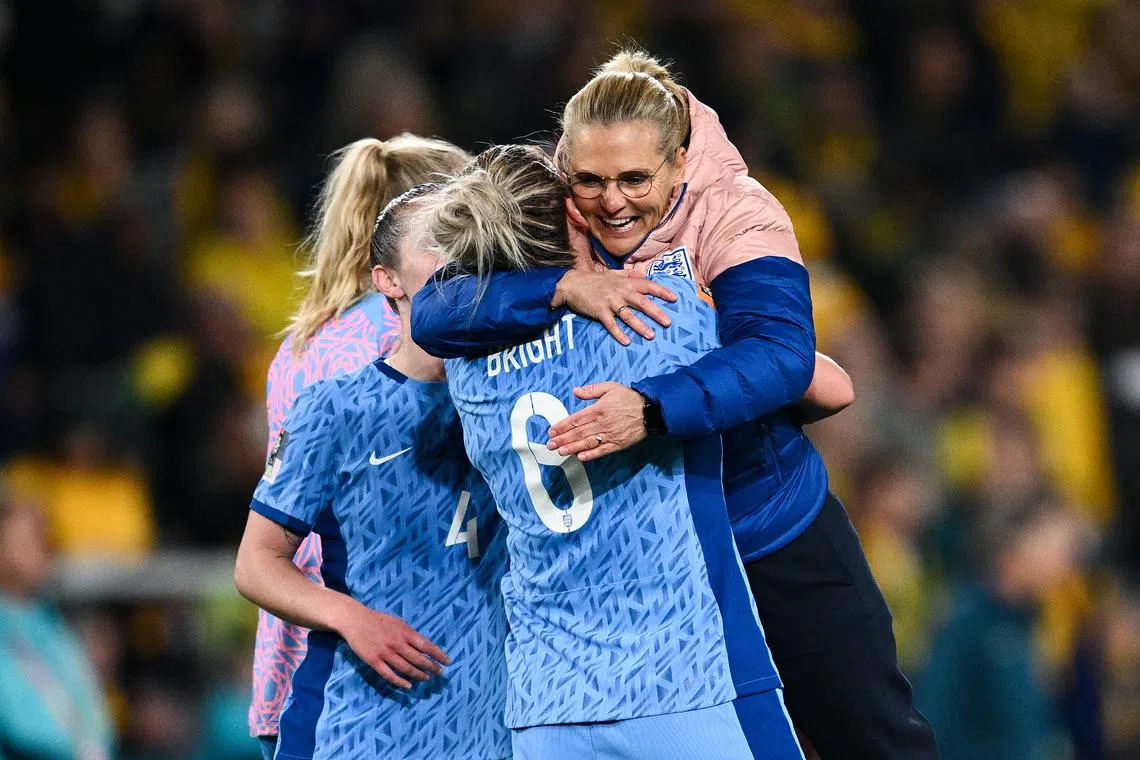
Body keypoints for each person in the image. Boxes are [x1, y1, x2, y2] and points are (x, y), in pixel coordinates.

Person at [411, 50, 937, 759]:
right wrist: (562, 288)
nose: (611, 202)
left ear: (680, 161)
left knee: (875, 742)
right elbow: (435, 312)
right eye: (591, 181)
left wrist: (650, 408)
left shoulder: (737, 210)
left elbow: (780, 356)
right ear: (567, 163)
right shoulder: (557, 204)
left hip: (766, 533)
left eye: (635, 180)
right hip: (650, 577)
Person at [430, 143, 806, 760]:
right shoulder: (659, 312)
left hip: (548, 702)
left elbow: (438, 311)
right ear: (574, 214)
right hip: (688, 675)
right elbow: (809, 377)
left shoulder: (464, 368)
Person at [234, 184, 509, 760]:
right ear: (388, 280)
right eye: (438, 243)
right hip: (358, 724)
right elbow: (257, 563)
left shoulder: (515, 396)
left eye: (467, 239)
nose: (458, 256)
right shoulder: (335, 408)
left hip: (488, 730)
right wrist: (350, 617)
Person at [916, 490, 1082, 760]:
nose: (1066, 559)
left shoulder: (1032, 620)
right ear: (1017, 543)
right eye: (1056, 543)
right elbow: (932, 722)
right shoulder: (965, 622)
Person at [0, 485, 115, 760]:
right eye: (27, 540)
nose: (43, 549)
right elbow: (25, 727)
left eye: (44, 539)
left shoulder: (52, 624)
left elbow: (93, 717)